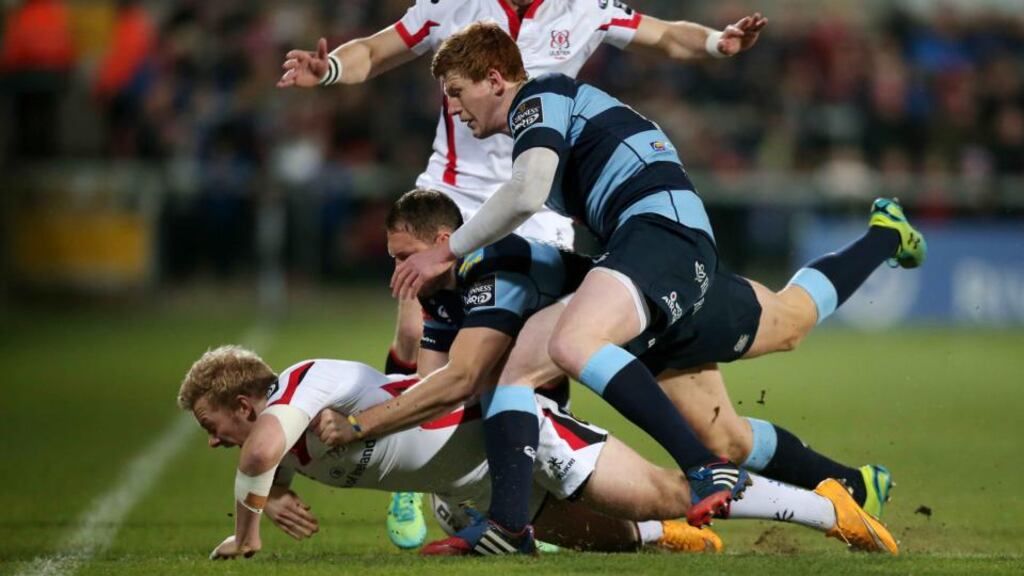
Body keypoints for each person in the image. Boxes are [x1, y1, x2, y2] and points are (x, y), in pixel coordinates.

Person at [391, 22, 927, 537]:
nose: (452, 108)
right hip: (659, 254)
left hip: (659, 234)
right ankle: (858, 478)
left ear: (494, 78)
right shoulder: (546, 128)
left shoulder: (539, 98)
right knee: (758, 380)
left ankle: (691, 471)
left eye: (457, 92)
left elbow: (527, 192)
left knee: (573, 341)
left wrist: (449, 253)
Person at [277, 2, 767, 547]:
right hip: (451, 199)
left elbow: (667, 36)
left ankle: (528, 504)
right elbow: (374, 48)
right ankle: (412, 483)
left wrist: (715, 42)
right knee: (418, 336)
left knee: (535, 369)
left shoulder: (583, 9)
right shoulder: (449, 6)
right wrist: (332, 70)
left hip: (535, 212)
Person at [317, 188, 918, 553]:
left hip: (663, 310)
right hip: (625, 345)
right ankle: (853, 486)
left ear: (440, 241)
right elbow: (431, 388)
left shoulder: (492, 271)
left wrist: (362, 427)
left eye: (403, 257)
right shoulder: (441, 294)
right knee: (726, 438)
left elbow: (460, 380)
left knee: (791, 322)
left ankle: (882, 234)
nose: (396, 270)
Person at [175, 346, 898, 559]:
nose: (215, 441)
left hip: (521, 436)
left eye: (215, 424)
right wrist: (277, 487)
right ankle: (669, 538)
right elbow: (268, 453)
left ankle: (828, 508)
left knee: (674, 490)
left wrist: (249, 532)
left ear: (246, 403)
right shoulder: (283, 439)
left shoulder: (305, 384)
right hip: (479, 487)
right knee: (611, 541)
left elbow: (259, 447)